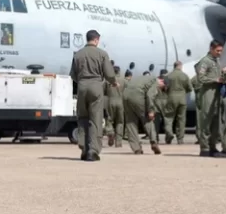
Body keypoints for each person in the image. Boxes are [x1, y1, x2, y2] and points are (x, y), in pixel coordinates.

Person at [69, 29, 117, 162]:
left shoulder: (77, 54)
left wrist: (82, 82)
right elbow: (109, 73)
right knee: (95, 119)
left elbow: (72, 74)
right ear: (96, 40)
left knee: (83, 118)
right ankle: (93, 150)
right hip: (96, 86)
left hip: (82, 87)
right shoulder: (102, 54)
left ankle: (84, 148)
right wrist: (113, 82)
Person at [195, 40, 224, 157]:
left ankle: (213, 146)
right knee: (206, 120)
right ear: (211, 49)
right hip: (208, 93)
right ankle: (205, 148)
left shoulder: (216, 61)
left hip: (216, 93)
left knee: (215, 121)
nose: (220, 53)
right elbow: (201, 78)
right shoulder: (205, 62)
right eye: (218, 51)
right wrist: (214, 80)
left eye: (221, 51)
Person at [123, 72, 163, 155]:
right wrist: (151, 110)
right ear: (161, 81)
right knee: (147, 119)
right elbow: (149, 95)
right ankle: (153, 142)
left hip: (125, 95)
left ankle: (136, 148)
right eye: (163, 87)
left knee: (131, 122)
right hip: (137, 95)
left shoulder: (143, 78)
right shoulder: (154, 81)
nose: (161, 89)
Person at [163, 61, 193, 144]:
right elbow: (190, 88)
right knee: (181, 119)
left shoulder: (168, 76)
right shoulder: (185, 76)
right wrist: (182, 92)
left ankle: (169, 134)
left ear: (174, 66)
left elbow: (164, 88)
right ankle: (180, 139)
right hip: (182, 99)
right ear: (180, 66)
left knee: (168, 118)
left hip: (171, 98)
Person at [104, 65, 125, 147]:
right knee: (120, 122)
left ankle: (110, 133)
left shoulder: (107, 81)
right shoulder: (124, 80)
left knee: (109, 120)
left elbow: (103, 91)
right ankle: (118, 142)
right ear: (119, 71)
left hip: (110, 101)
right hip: (121, 102)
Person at [154, 68, 169, 143]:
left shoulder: (155, 80)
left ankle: (156, 137)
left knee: (156, 121)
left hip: (156, 101)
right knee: (167, 120)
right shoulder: (168, 79)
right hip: (166, 101)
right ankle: (168, 137)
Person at [191, 74, 201, 145]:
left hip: (199, 98)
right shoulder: (208, 76)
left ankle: (200, 137)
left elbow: (189, 85)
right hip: (208, 98)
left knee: (199, 119)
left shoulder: (195, 78)